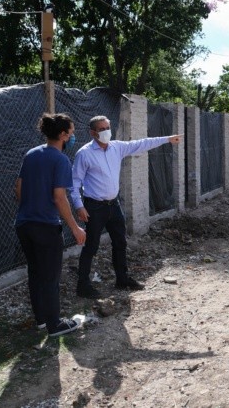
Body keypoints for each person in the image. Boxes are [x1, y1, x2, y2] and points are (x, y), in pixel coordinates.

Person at [71, 115, 181, 299]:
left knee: (120, 242)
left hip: (114, 205)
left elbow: (141, 144)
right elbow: (74, 183)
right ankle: (83, 285)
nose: (107, 131)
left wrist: (167, 139)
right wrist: (79, 206)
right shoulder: (84, 154)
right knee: (91, 246)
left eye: (108, 127)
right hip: (94, 207)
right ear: (92, 133)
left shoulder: (117, 147)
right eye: (102, 129)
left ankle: (122, 279)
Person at [15, 112, 87, 337]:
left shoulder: (31, 154)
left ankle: (41, 320)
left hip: (24, 224)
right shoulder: (60, 159)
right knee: (51, 276)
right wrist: (75, 227)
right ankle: (55, 324)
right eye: (72, 133)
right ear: (63, 134)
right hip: (45, 226)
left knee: (35, 273)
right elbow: (59, 197)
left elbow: (18, 188)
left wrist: (31, 204)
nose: (73, 137)